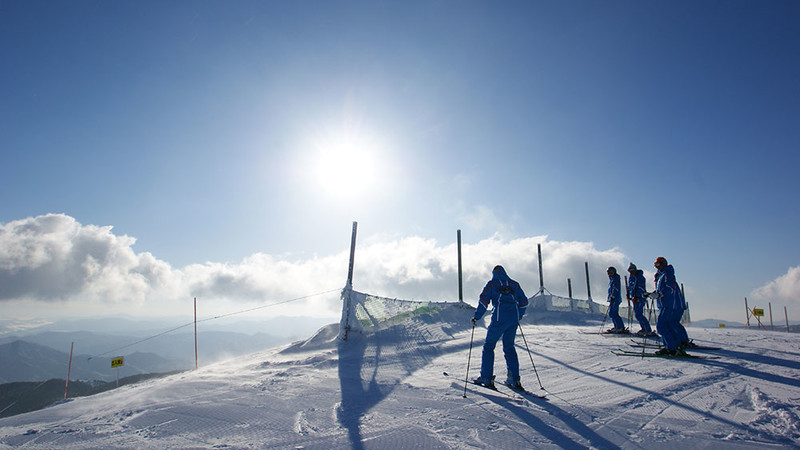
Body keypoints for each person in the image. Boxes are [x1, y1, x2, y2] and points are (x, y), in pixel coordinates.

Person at [472, 265, 529, 390]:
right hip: (513, 319)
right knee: (509, 347)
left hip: (499, 319)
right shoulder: (515, 284)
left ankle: (486, 377)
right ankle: (514, 379)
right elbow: (524, 302)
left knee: (489, 346)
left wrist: (477, 317)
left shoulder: (492, 284)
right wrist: (519, 315)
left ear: (494, 273)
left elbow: (483, 301)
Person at [653, 257, 689, 355]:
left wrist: (659, 294)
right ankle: (675, 346)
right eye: (655, 265)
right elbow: (661, 290)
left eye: (658, 264)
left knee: (662, 326)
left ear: (663, 264)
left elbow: (670, 288)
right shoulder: (661, 276)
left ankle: (671, 347)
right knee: (669, 325)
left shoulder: (667, 273)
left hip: (668, 304)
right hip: (664, 304)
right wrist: (652, 294)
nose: (657, 267)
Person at [626, 263, 652, 336]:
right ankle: (644, 328)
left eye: (632, 270)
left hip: (639, 298)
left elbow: (641, 287)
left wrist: (637, 296)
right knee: (637, 314)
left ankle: (647, 329)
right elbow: (630, 287)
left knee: (638, 314)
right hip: (634, 298)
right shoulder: (631, 277)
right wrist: (628, 294)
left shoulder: (640, 277)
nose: (631, 272)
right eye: (629, 271)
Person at [606, 267, 626, 333]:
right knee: (612, 313)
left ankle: (620, 327)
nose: (609, 274)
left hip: (615, 298)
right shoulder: (612, 279)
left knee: (613, 313)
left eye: (610, 272)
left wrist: (613, 295)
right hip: (613, 298)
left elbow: (616, 288)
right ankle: (617, 326)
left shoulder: (615, 279)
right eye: (608, 272)